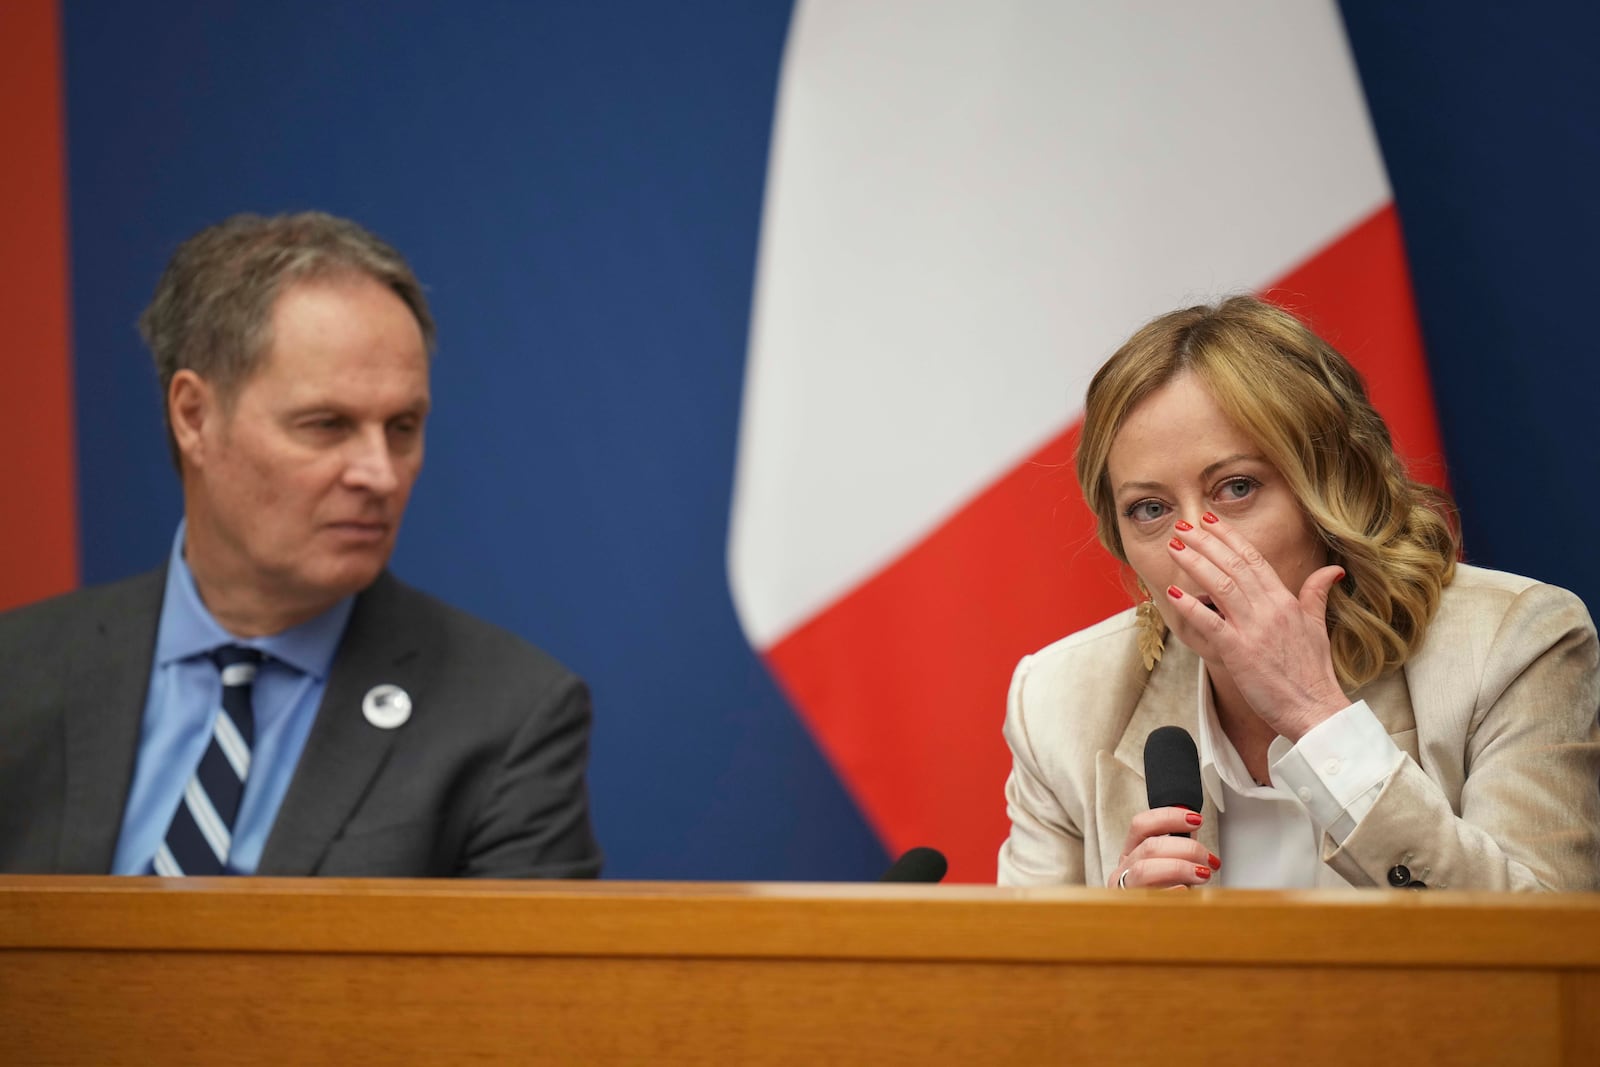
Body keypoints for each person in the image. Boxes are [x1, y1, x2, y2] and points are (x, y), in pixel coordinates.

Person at [0, 212, 601, 878]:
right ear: (194, 416)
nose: (380, 472)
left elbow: (516, 983)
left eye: (403, 426)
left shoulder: (507, 715)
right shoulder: (18, 675)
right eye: (327, 425)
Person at [997, 295, 1600, 891]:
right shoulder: (1058, 703)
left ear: (1330, 489)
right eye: (1149, 509)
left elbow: (1543, 964)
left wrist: (1317, 717)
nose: (1194, 547)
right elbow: (1017, 985)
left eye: (1235, 488)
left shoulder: (1514, 644)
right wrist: (1113, 945)